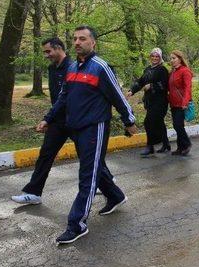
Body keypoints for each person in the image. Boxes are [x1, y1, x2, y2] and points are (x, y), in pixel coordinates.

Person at [39, 26, 136, 244]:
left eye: (82, 39)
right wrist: (48, 118)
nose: (77, 42)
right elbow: (63, 98)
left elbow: (118, 96)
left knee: (87, 175)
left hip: (95, 127)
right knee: (94, 167)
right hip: (76, 127)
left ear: (93, 43)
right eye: (74, 39)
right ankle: (116, 196)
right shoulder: (72, 67)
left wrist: (129, 121)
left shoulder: (100, 67)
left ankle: (77, 224)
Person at [11, 38, 72, 205]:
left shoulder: (72, 67)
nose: (46, 55)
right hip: (58, 121)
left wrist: (47, 118)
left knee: (88, 155)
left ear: (58, 48)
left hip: (74, 120)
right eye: (45, 52)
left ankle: (106, 183)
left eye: (48, 51)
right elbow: (56, 98)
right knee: (45, 154)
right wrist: (50, 120)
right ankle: (33, 192)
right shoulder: (52, 68)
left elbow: (65, 98)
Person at [127, 48, 170, 156]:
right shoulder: (147, 69)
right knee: (159, 123)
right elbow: (140, 82)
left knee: (148, 122)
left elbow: (165, 85)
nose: (154, 58)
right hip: (150, 101)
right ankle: (166, 144)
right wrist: (131, 91)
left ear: (160, 58)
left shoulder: (162, 70)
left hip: (160, 102)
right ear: (150, 57)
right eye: (153, 56)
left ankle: (150, 146)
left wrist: (151, 86)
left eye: (157, 56)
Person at [168, 50, 193, 156]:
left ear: (180, 59)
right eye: (171, 58)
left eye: (174, 58)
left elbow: (188, 88)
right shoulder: (173, 72)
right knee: (177, 125)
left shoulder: (185, 71)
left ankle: (187, 144)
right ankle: (180, 147)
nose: (172, 60)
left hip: (182, 103)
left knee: (178, 125)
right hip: (173, 103)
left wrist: (185, 102)